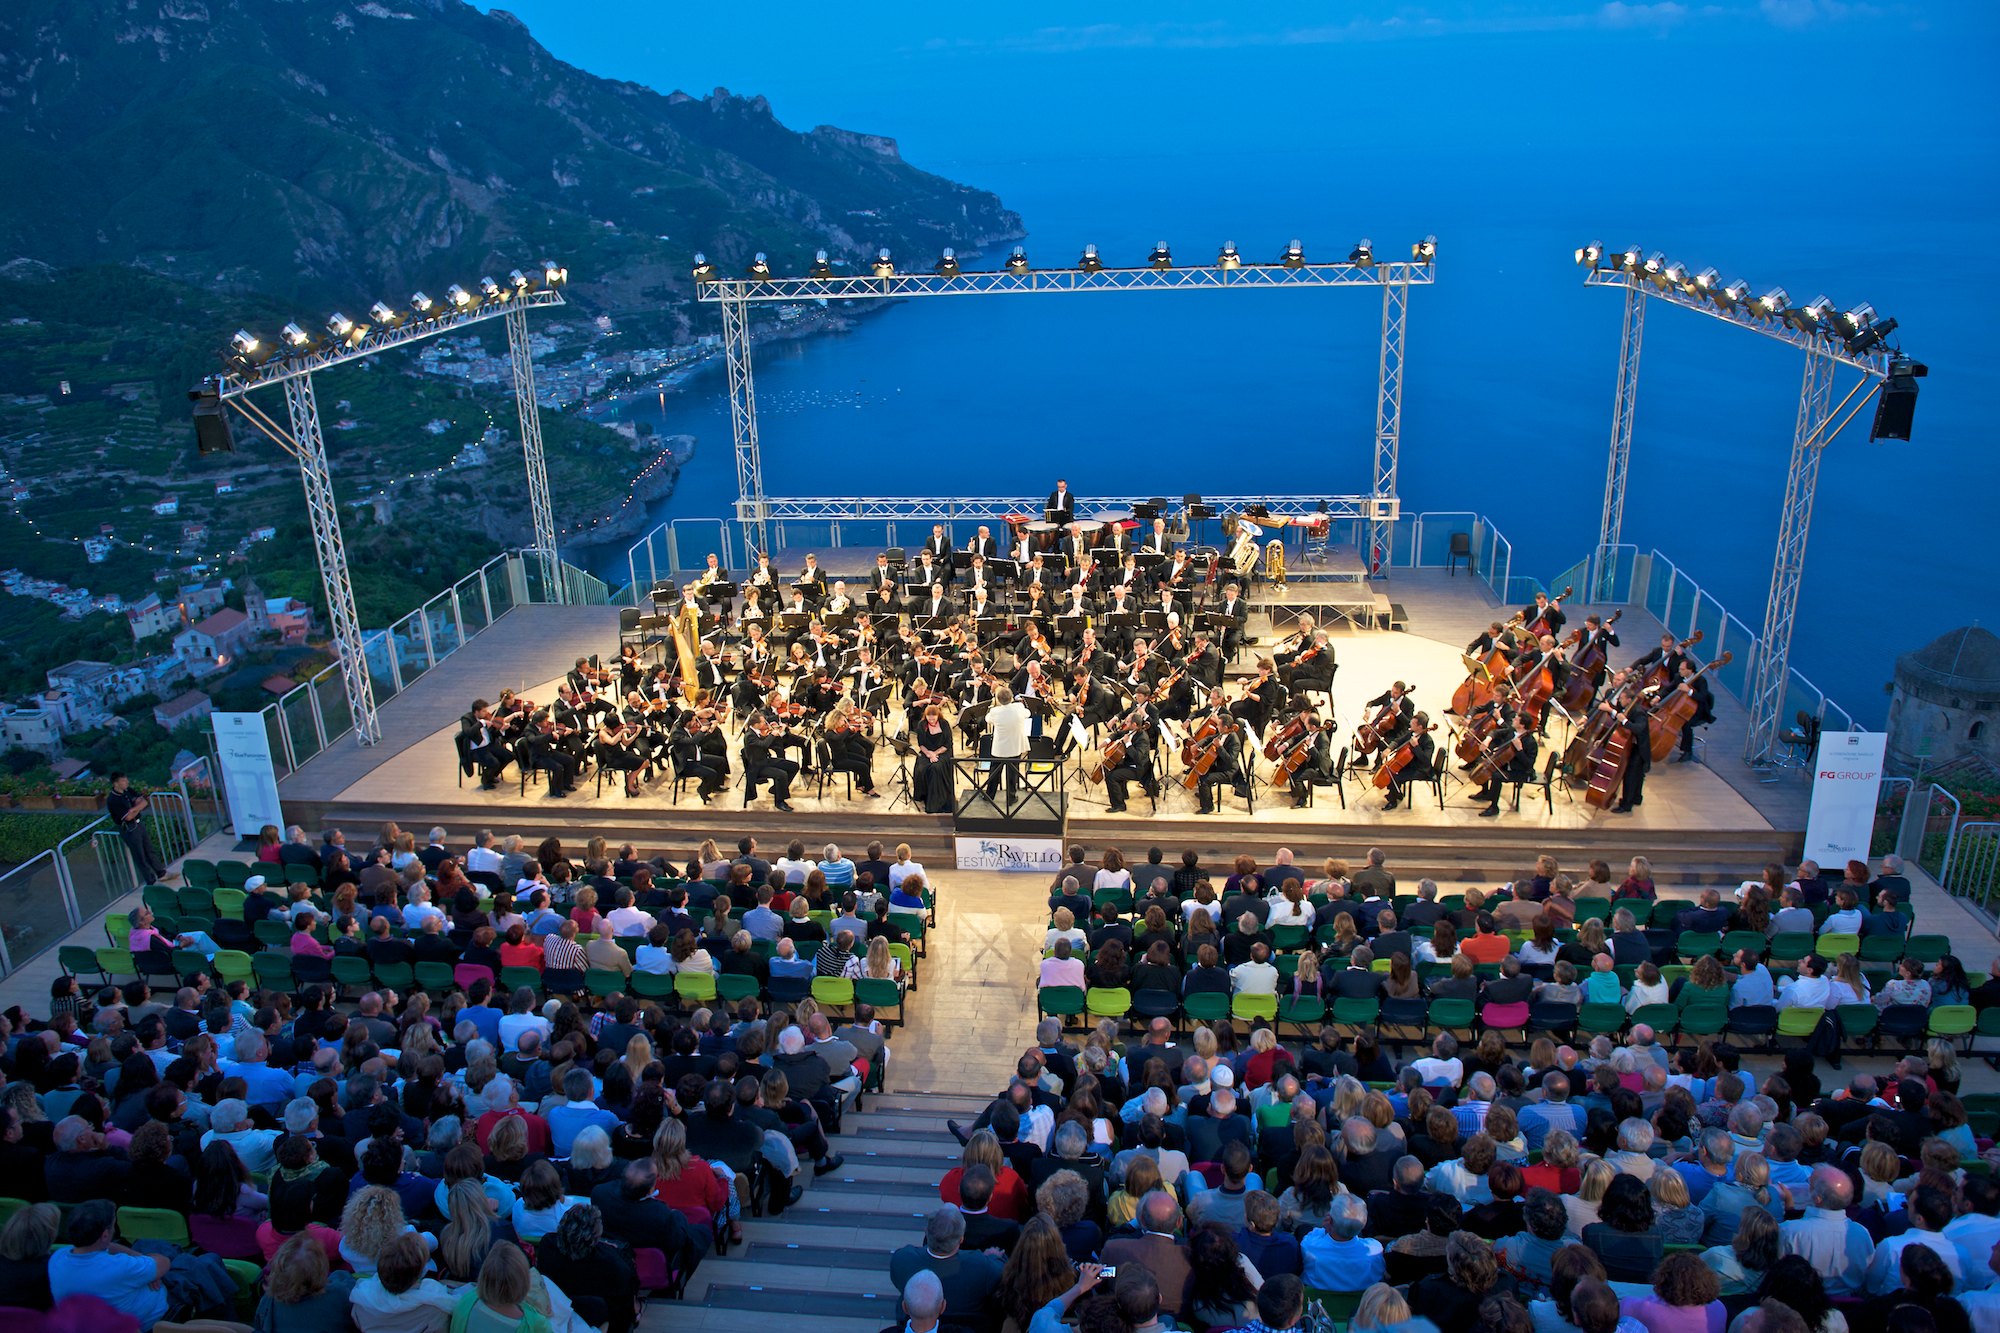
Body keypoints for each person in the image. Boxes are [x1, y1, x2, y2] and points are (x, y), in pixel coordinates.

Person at [106, 772, 168, 882]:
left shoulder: (128, 791)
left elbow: (144, 802)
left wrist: (134, 809)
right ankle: (150, 880)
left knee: (149, 850)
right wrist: (136, 809)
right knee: (140, 855)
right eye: (123, 781)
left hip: (139, 824)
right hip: (129, 829)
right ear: (116, 783)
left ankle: (161, 873)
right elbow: (128, 817)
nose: (127, 782)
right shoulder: (113, 799)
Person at [983, 686, 1030, 805]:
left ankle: (989, 795)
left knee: (994, 772)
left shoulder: (995, 711)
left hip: (1000, 748)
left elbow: (987, 719)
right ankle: (1011, 797)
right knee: (1013, 773)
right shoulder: (1019, 707)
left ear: (998, 699)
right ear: (1011, 698)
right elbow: (1028, 713)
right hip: (1015, 746)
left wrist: (995, 705)